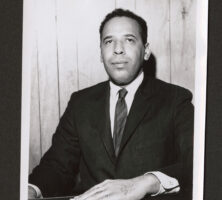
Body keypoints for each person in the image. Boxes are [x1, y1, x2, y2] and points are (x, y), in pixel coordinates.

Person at [28, 8, 194, 200]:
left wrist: (146, 182)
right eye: (109, 41)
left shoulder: (175, 99)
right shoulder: (80, 103)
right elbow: (57, 166)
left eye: (129, 40)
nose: (118, 49)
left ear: (146, 51)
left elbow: (196, 164)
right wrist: (31, 189)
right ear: (101, 53)